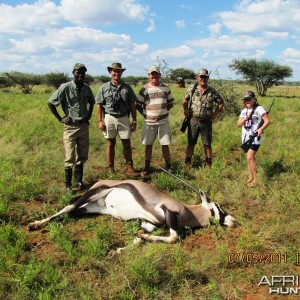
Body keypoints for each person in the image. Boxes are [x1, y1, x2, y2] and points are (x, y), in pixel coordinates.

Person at [48, 63, 95, 191]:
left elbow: (92, 102)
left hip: (83, 126)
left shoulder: (86, 88)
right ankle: (68, 185)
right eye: (77, 72)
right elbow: (51, 103)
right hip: (70, 127)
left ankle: (78, 181)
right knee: (70, 156)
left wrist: (88, 115)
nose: (80, 75)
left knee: (82, 154)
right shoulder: (65, 87)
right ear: (73, 73)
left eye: (82, 72)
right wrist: (60, 118)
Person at [96, 62, 138, 175]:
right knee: (110, 143)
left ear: (122, 72)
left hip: (124, 118)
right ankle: (111, 168)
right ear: (110, 72)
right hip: (109, 118)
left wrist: (134, 120)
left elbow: (132, 104)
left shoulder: (127, 87)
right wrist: (100, 121)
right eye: (114, 71)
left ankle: (130, 167)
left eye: (119, 71)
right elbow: (99, 105)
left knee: (127, 144)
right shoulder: (103, 87)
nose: (116, 73)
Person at [182, 68, 224, 169]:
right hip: (193, 120)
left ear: (208, 78)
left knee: (207, 144)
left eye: (205, 77)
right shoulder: (192, 89)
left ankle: (208, 165)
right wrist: (185, 109)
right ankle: (187, 164)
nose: (203, 79)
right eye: (201, 76)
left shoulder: (212, 91)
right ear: (197, 77)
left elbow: (221, 103)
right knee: (191, 143)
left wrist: (214, 114)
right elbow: (185, 99)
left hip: (206, 122)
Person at [137, 66, 174, 177]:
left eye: (156, 74)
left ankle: (168, 166)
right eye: (152, 74)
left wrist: (163, 112)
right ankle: (147, 167)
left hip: (163, 121)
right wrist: (146, 114)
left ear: (159, 75)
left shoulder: (166, 89)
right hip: (149, 122)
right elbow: (138, 105)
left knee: (165, 144)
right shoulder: (144, 89)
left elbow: (171, 103)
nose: (154, 76)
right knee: (148, 145)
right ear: (149, 76)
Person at [237, 91, 270, 187]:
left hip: (256, 137)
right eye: (246, 99)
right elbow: (238, 125)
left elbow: (267, 120)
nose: (247, 101)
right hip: (245, 137)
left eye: (249, 99)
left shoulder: (259, 109)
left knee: (250, 157)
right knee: (249, 158)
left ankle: (255, 180)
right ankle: (250, 176)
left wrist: (261, 129)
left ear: (254, 100)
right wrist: (244, 119)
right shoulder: (243, 111)